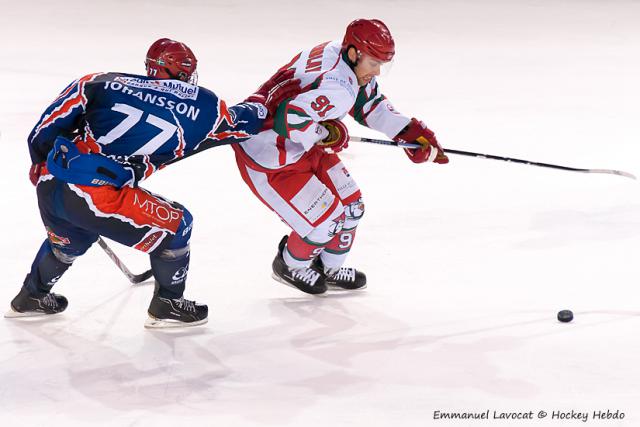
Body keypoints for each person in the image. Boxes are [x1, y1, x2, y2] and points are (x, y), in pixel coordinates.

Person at [7, 38, 299, 327]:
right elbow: (239, 123)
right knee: (177, 225)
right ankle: (168, 303)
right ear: (184, 73)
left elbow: (43, 130)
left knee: (70, 241)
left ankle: (31, 296)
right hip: (95, 195)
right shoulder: (203, 106)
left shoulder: (98, 82)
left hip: (51, 183)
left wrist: (39, 162)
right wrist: (265, 102)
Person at [233, 19, 449, 295]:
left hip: (300, 143)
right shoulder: (340, 86)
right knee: (327, 222)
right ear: (354, 53)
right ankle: (290, 265)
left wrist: (409, 132)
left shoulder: (338, 53)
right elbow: (290, 117)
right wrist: (325, 133)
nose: (378, 71)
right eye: (374, 63)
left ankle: (330, 267)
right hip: (270, 156)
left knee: (352, 206)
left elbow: (369, 104)